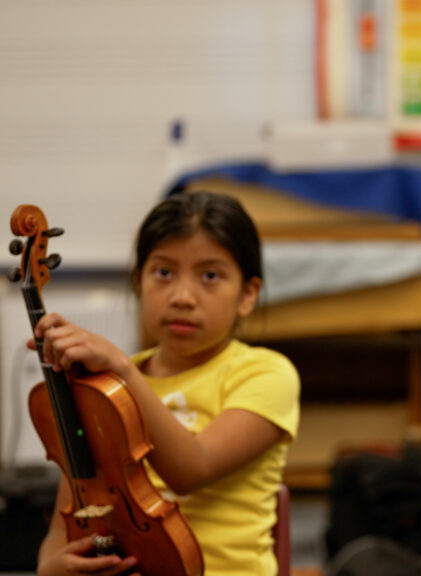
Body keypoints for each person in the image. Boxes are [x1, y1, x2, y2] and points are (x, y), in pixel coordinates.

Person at [34, 191, 300, 575]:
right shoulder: (100, 387)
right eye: (163, 272)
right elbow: (66, 520)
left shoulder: (267, 374)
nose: (182, 297)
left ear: (247, 294)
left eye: (210, 275)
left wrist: (124, 371)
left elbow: (192, 469)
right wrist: (51, 567)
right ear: (138, 281)